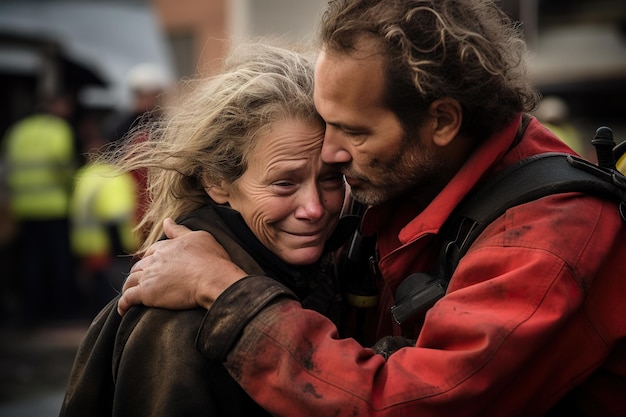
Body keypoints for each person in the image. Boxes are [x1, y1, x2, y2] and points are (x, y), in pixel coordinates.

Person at [117, 0, 626, 416]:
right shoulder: (408, 176)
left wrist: (225, 291)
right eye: (327, 122)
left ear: (443, 121)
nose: (333, 153)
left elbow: (414, 403)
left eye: (355, 131)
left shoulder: (546, 237)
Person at [59, 43, 349, 417]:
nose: (314, 208)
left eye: (330, 179)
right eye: (284, 184)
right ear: (217, 181)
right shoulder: (178, 320)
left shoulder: (331, 266)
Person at [1, 91, 79, 322]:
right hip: (55, 207)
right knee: (60, 261)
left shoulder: (17, 131)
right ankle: (63, 311)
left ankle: (31, 311)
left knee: (30, 262)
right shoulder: (58, 130)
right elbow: (65, 168)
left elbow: (6, 170)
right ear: (55, 107)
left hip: (24, 208)